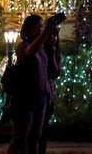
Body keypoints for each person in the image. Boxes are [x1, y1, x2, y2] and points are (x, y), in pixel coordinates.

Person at [7, 14, 61, 154]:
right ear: (28, 30)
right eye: (38, 28)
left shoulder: (44, 48)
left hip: (41, 99)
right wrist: (45, 32)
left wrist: (53, 49)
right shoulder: (23, 46)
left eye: (42, 27)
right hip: (24, 100)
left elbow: (53, 73)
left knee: (34, 140)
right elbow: (29, 54)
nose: (41, 30)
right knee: (20, 141)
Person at [36, 16, 63, 154]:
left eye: (55, 36)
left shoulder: (55, 53)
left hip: (49, 96)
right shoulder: (37, 50)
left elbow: (55, 73)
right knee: (35, 133)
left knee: (43, 131)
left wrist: (52, 54)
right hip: (36, 95)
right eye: (50, 35)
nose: (53, 38)